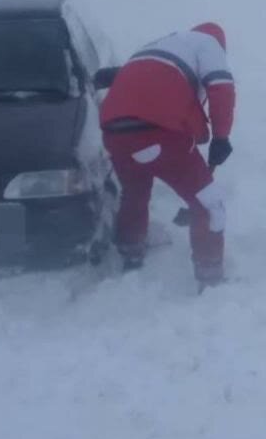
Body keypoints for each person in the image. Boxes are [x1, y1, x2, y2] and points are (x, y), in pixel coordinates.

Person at [98, 22, 235, 287]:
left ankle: (131, 253)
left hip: (114, 131)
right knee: (209, 204)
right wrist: (221, 137)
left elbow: (147, 83)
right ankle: (210, 277)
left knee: (135, 192)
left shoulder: (155, 46)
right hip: (157, 130)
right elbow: (221, 87)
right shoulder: (208, 44)